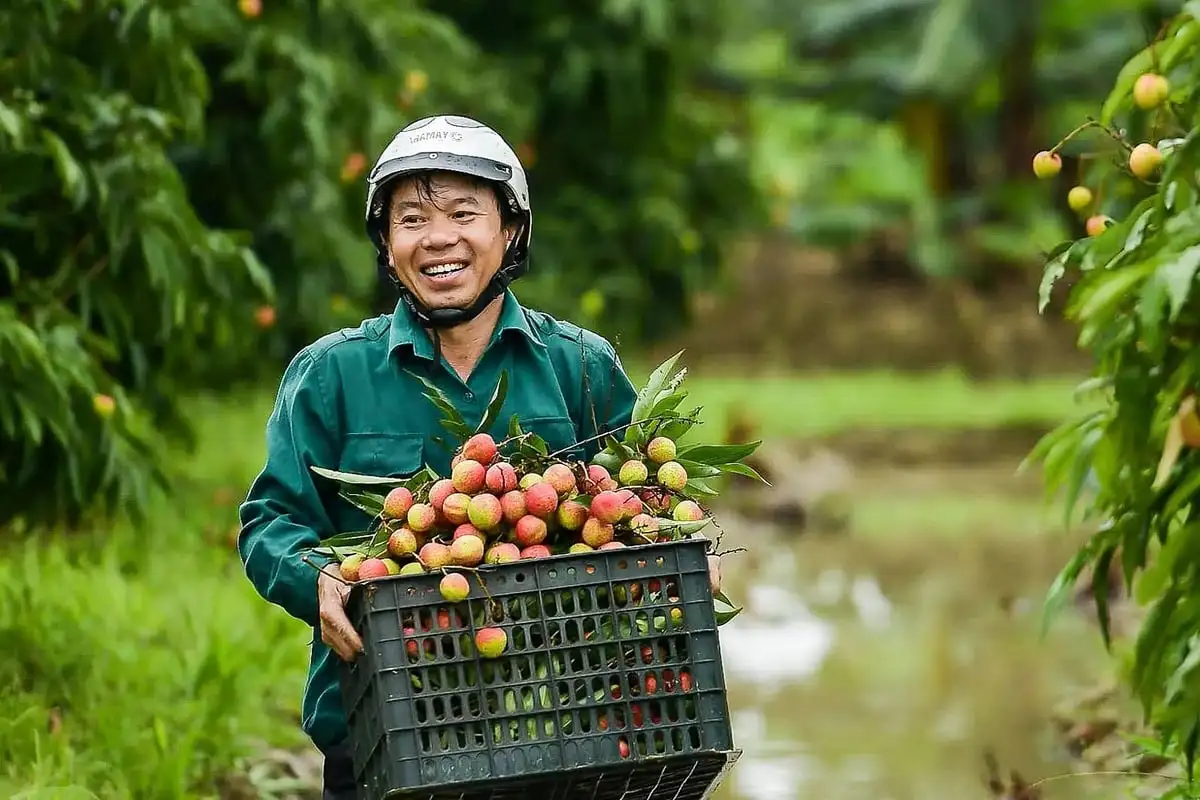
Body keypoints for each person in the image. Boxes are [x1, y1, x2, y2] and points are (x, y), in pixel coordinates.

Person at [236, 114, 643, 800]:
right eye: (412, 219)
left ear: (510, 230)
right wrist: (319, 579)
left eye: (463, 213)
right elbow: (270, 521)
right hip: (381, 738)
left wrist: (679, 547)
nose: (438, 237)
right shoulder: (332, 374)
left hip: (561, 732)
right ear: (387, 244)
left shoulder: (580, 366)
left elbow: (641, 506)